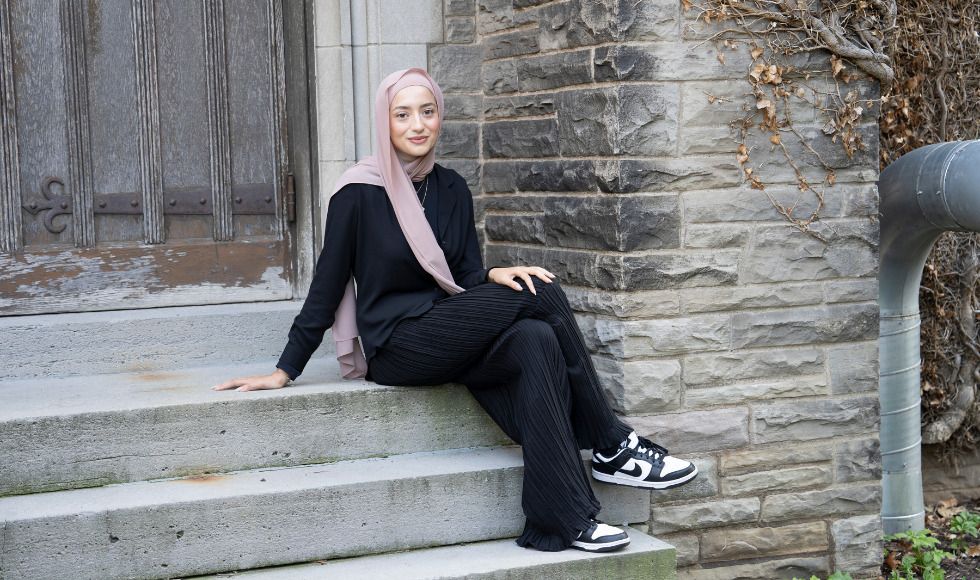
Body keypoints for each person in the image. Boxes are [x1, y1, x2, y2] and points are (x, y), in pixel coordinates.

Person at [213, 68, 697, 553]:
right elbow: (327, 285)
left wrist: (490, 276)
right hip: (399, 346)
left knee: (537, 338)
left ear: (440, 116)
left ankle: (562, 521)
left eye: (428, 111)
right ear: (385, 122)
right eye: (402, 114)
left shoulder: (451, 189)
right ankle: (611, 444)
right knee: (542, 294)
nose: (417, 124)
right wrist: (285, 369)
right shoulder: (357, 193)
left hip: (452, 329)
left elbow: (462, 277)